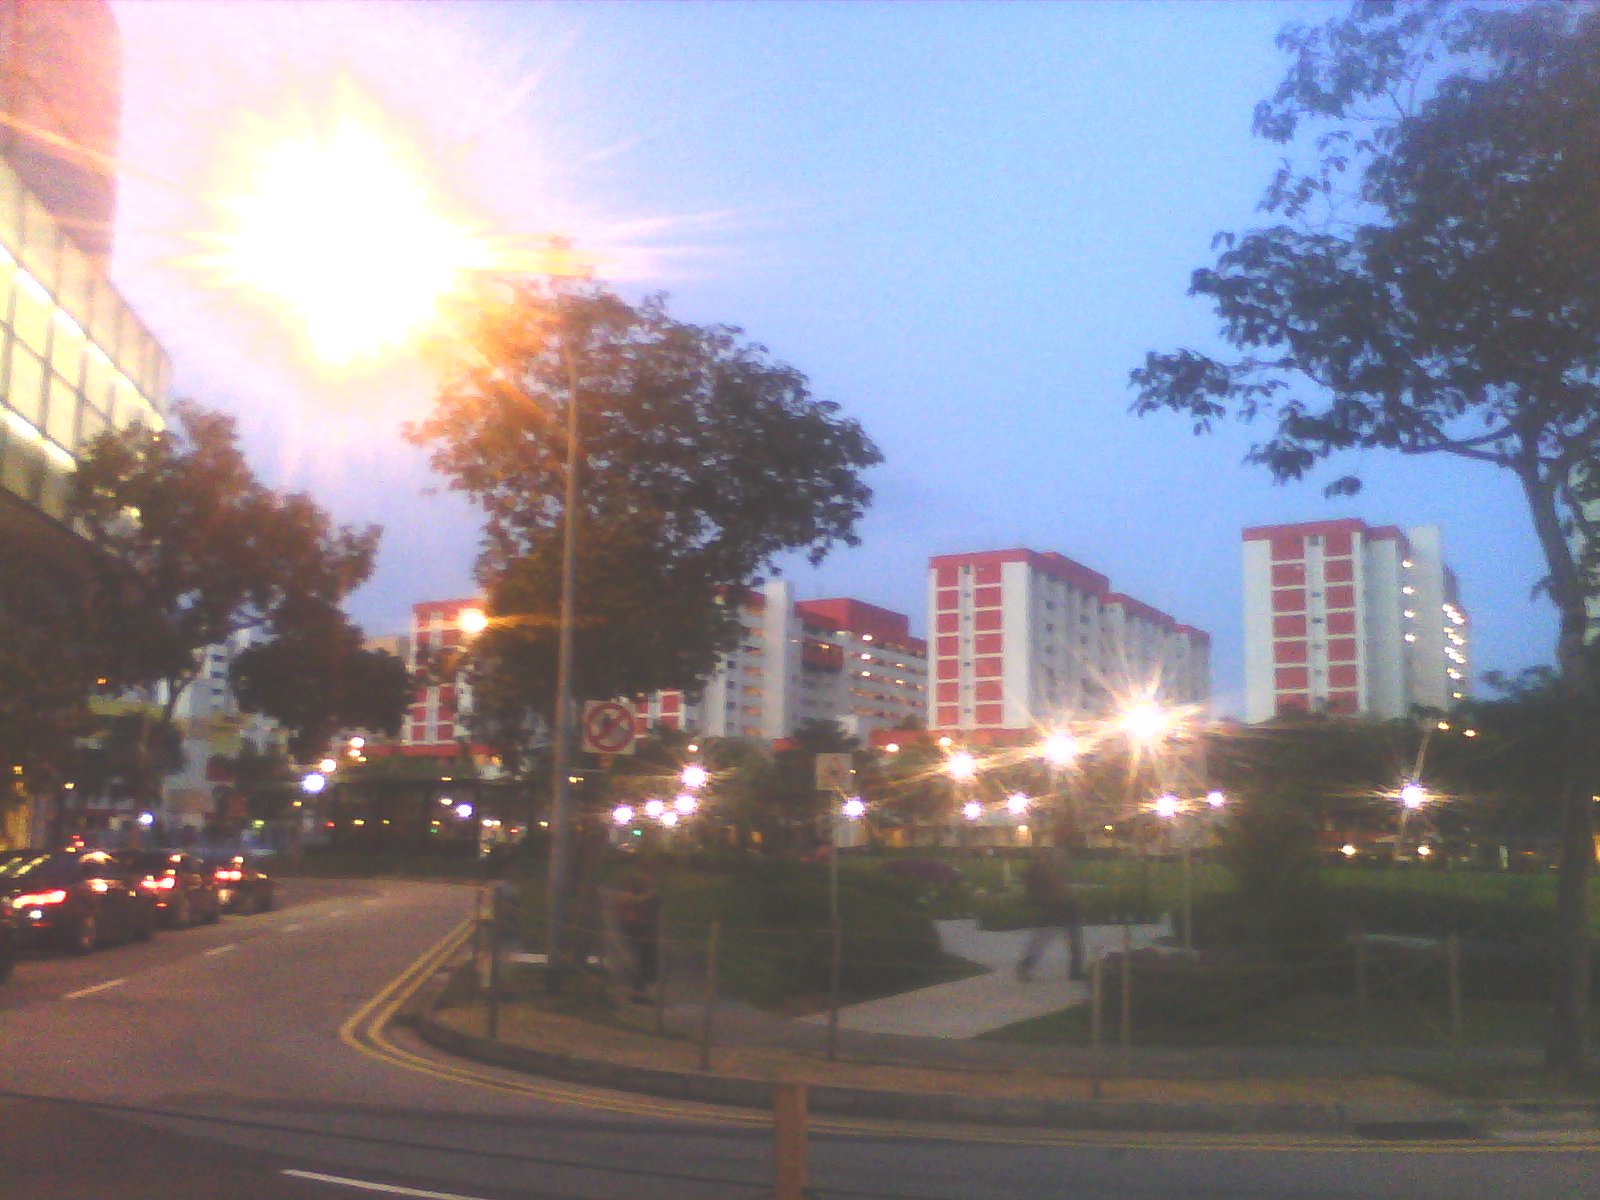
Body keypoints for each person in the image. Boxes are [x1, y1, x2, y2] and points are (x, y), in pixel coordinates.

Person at [1015, 846, 1085, 982]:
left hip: (1061, 909)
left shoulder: (1049, 871)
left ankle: (1075, 970)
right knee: (1046, 940)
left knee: (1065, 940)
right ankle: (1025, 966)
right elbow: (1056, 891)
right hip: (1057, 909)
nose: (1065, 860)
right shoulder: (1045, 872)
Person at [613, 867, 662, 1003]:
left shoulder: (645, 898)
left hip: (644, 933)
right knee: (643, 961)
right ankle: (638, 993)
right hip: (634, 933)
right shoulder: (627, 896)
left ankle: (641, 992)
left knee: (649, 961)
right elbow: (629, 901)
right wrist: (648, 895)